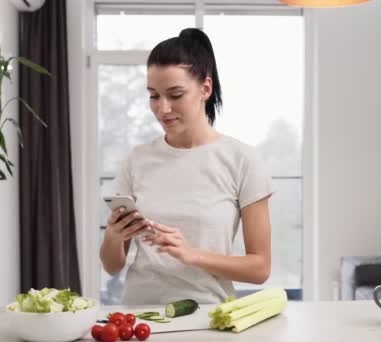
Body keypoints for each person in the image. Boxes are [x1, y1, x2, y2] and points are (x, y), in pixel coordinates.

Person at [99, 28, 273, 305]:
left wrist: (191, 254)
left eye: (175, 95)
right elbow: (112, 266)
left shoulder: (242, 160)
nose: (162, 108)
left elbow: (260, 268)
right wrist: (113, 235)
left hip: (210, 315)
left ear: (205, 88)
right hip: (142, 316)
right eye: (154, 96)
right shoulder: (137, 160)